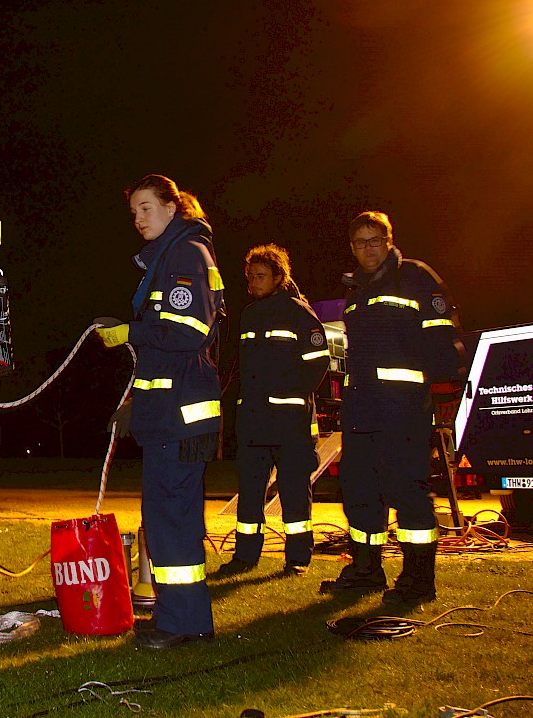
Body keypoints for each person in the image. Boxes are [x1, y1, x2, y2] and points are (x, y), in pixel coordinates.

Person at [94, 174, 224, 649]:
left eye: (146, 208)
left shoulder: (187, 255)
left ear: (173, 208)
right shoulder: (170, 257)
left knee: (172, 519)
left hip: (180, 415)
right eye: (133, 213)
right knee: (167, 518)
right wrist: (134, 401)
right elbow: (163, 348)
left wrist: (131, 331)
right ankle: (178, 616)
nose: (139, 219)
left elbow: (188, 332)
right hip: (166, 412)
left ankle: (184, 624)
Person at [320, 211, 462, 604]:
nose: (368, 249)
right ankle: (367, 570)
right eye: (360, 243)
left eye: (375, 240)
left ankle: (418, 581)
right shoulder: (356, 289)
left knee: (407, 490)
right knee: (360, 491)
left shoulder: (416, 277)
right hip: (361, 410)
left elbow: (443, 341)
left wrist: (429, 390)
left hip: (402, 411)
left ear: (389, 240)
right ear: (352, 248)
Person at [219, 244, 329, 578]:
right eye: (250, 276)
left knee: (294, 492)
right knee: (250, 493)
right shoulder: (249, 314)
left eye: (261, 275)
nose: (253, 282)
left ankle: (298, 558)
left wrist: (290, 395)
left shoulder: (299, 312)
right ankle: (245, 555)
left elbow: (317, 363)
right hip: (253, 424)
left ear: (279, 277)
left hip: (290, 424)